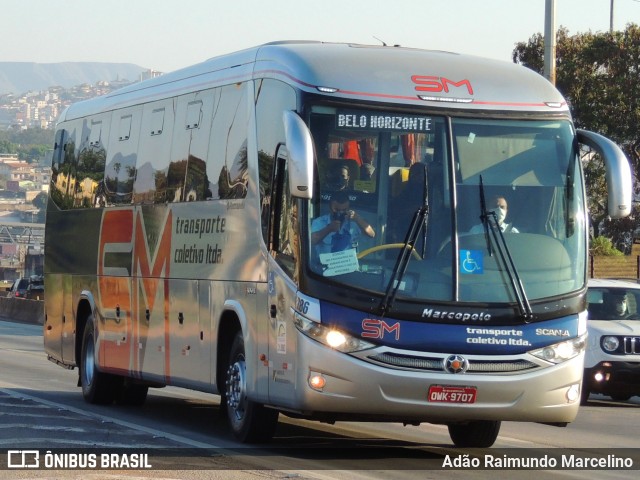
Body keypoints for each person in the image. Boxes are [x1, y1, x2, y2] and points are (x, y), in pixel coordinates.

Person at [311, 191, 375, 254]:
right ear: (330, 207)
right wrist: (329, 229)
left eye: (344, 210)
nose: (340, 213)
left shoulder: (354, 222)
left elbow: (371, 234)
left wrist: (357, 218)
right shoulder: (319, 222)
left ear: (348, 208)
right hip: (326, 263)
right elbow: (311, 241)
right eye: (337, 210)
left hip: (350, 262)